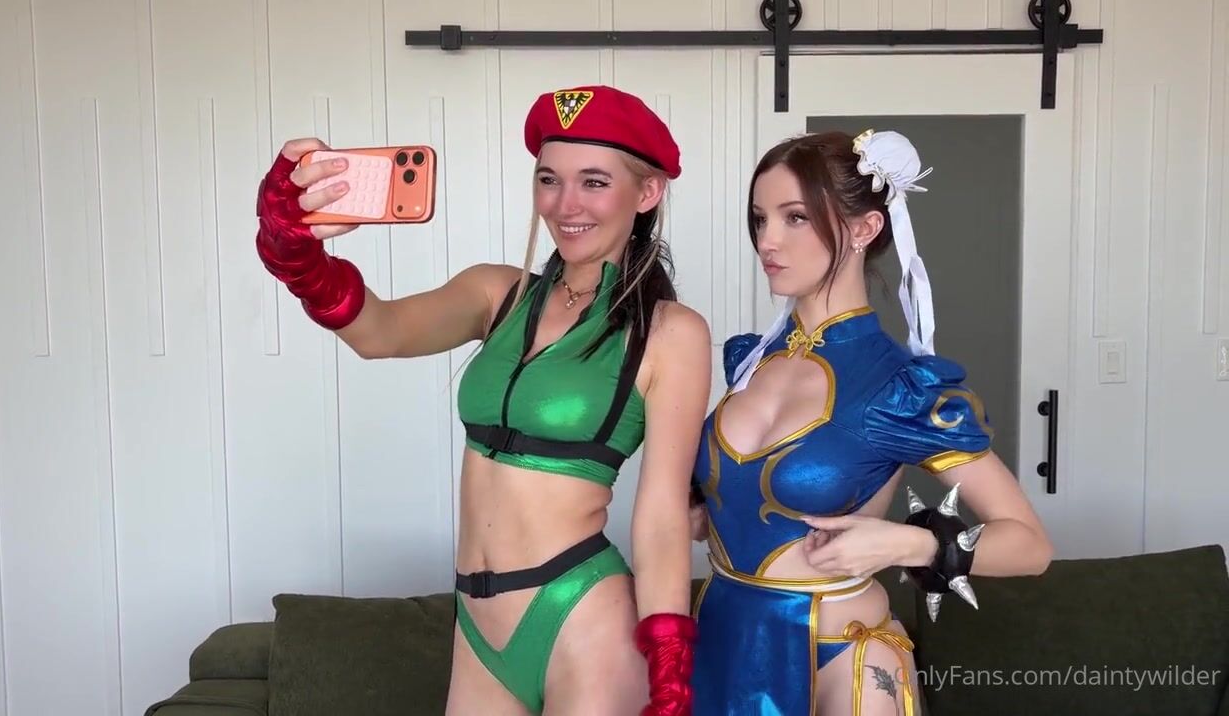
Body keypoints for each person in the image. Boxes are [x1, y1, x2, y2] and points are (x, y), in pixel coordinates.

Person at [254, 85, 710, 715]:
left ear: (648, 192)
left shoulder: (670, 333)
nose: (565, 204)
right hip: (478, 621)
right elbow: (380, 333)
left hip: (581, 615)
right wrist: (298, 256)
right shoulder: (497, 294)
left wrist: (669, 660)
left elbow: (661, 515)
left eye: (594, 182)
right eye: (549, 179)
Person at [686, 129, 1053, 715]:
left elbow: (1030, 545)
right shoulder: (751, 361)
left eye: (795, 217)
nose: (767, 240)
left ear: (864, 228)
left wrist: (908, 542)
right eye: (760, 219)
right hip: (718, 644)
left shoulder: (901, 388)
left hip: (840, 660)